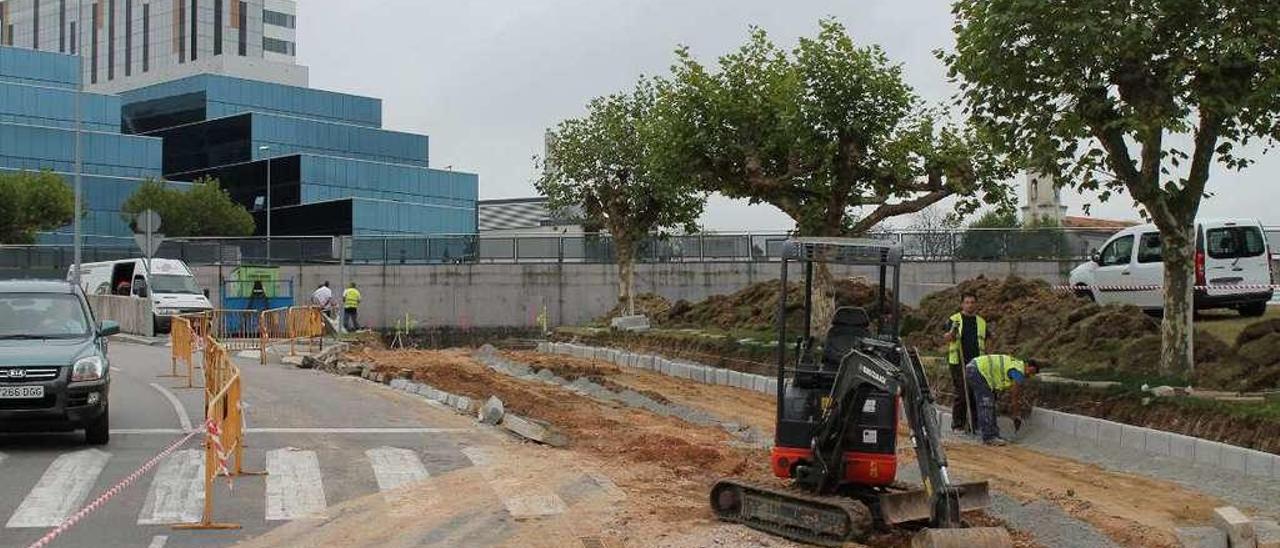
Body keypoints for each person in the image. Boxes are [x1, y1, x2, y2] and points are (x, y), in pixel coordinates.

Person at [965, 354, 1040, 446]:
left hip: (976, 368)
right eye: (1031, 371)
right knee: (986, 403)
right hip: (977, 370)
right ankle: (989, 437)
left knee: (989, 402)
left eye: (1033, 374)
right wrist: (1016, 414)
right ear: (1027, 365)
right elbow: (1015, 394)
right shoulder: (1019, 371)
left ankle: (993, 434)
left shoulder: (1015, 365)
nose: (1030, 375)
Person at [943, 292, 989, 433]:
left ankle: (974, 424)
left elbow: (988, 339)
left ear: (976, 304)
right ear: (962, 304)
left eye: (972, 302)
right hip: (958, 362)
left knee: (975, 393)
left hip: (977, 363)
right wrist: (952, 332)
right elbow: (947, 338)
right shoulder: (954, 319)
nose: (970, 305)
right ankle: (958, 424)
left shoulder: (981, 322)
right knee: (962, 393)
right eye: (967, 302)